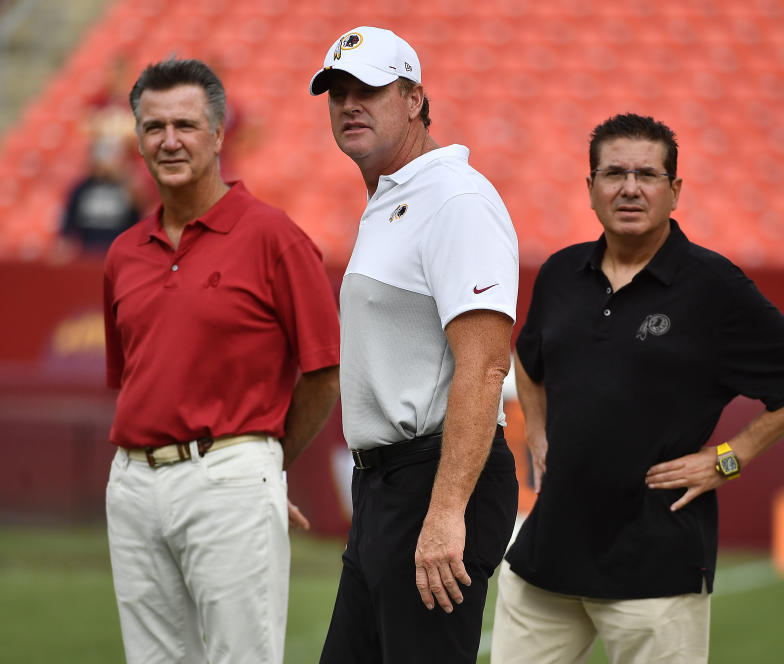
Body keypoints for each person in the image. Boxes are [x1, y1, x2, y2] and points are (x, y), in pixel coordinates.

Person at [491, 113, 784, 664]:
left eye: (647, 175)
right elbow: (527, 361)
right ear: (590, 189)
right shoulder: (559, 273)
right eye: (614, 174)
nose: (630, 188)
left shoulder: (714, 287)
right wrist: (537, 435)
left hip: (655, 568)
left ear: (674, 191)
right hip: (546, 560)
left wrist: (729, 458)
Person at [103, 58, 340, 664]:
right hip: (132, 483)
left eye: (185, 124)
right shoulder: (124, 253)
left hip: (230, 475)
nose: (169, 140)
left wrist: (261, 467)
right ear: (138, 140)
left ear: (217, 135)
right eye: (154, 127)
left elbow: (325, 371)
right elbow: (127, 379)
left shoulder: (274, 237)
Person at [308, 26, 520, 664]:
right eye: (337, 91)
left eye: (369, 89)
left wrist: (446, 511)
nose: (350, 103)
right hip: (385, 488)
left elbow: (484, 368)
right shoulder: (394, 199)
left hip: (435, 481)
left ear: (414, 99)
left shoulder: (454, 199)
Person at [58, 134, 141, 255]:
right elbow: (68, 224)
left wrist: (124, 180)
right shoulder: (81, 188)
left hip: (119, 255)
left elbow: (138, 218)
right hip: (87, 255)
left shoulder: (126, 187)